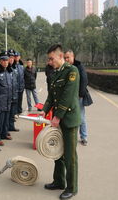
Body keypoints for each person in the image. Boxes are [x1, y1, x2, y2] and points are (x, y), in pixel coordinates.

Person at [40, 44, 81, 200]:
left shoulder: (72, 71)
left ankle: (72, 187)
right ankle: (59, 181)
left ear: (60, 56)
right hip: (58, 119)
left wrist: (57, 116)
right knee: (57, 152)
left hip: (69, 120)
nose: (49, 62)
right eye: (49, 59)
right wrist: (44, 109)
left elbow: (68, 95)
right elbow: (52, 96)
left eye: (51, 58)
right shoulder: (56, 74)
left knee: (70, 156)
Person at [64, 50, 93, 146]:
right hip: (69, 97)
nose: (66, 59)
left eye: (68, 57)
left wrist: (80, 94)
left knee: (81, 117)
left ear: (73, 57)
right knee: (70, 117)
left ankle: (84, 137)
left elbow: (84, 81)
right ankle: (71, 136)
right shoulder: (66, 67)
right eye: (65, 58)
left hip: (78, 97)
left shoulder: (79, 67)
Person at [0, 51, 13, 146]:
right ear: (0, 61)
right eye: (4, 60)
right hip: (1, 100)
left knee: (6, 119)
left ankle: (4, 133)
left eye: (7, 60)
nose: (6, 62)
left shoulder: (7, 71)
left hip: (8, 100)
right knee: (0, 121)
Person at [8, 50, 19, 133]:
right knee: (6, 114)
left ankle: (11, 126)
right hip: (7, 96)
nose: (11, 59)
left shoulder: (14, 68)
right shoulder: (4, 69)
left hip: (14, 94)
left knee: (12, 113)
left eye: (12, 57)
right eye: (9, 58)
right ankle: (5, 129)